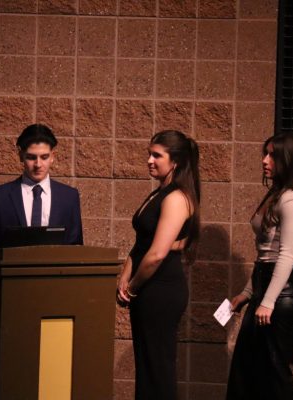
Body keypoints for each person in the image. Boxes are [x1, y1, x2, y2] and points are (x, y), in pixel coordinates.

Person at [226, 132, 293, 400]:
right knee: (248, 365)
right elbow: (264, 255)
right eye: (264, 153)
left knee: (273, 368)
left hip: (280, 294)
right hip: (266, 288)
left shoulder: (291, 199)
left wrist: (268, 301)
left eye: (272, 155)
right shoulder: (276, 194)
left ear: (287, 159)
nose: (264, 160)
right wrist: (247, 293)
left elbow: (287, 255)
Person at [116, 130, 200, 400]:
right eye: (149, 153)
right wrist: (124, 277)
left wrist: (133, 288)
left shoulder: (177, 198)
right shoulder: (159, 193)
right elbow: (142, 243)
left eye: (156, 155)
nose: (149, 160)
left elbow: (156, 254)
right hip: (146, 288)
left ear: (174, 161)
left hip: (160, 291)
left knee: (158, 367)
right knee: (147, 365)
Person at [0, 123, 83, 253]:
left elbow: (76, 248)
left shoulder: (69, 197)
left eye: (44, 157)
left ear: (52, 157)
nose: (38, 164)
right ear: (21, 156)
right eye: (31, 157)